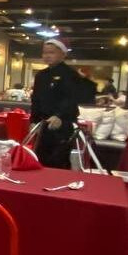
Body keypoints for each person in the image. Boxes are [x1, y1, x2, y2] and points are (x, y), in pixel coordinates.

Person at [30, 36, 83, 168]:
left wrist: (59, 115)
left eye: (51, 52)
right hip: (43, 124)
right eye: (44, 52)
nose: (47, 56)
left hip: (62, 123)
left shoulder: (71, 74)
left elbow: (71, 99)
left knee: (59, 160)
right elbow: (35, 99)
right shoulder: (41, 75)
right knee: (40, 158)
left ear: (63, 54)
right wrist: (33, 120)